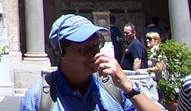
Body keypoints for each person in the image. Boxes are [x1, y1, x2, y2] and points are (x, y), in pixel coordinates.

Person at [20, 14, 163, 111]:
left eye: (96, 45)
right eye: (84, 49)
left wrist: (128, 87)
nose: (94, 53)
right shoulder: (39, 97)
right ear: (61, 53)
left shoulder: (113, 87)